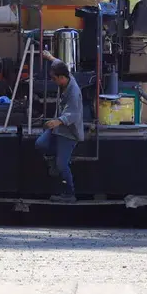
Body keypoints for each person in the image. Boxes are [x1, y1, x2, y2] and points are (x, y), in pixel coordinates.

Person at [36, 53, 84, 203]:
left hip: (68, 132)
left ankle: (70, 193)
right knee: (40, 144)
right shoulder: (66, 75)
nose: (53, 81)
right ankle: (54, 161)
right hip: (58, 127)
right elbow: (59, 63)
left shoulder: (74, 92)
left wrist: (58, 121)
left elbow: (74, 114)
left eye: (54, 79)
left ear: (62, 78)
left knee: (62, 164)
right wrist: (50, 57)